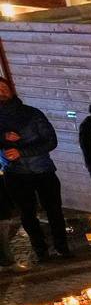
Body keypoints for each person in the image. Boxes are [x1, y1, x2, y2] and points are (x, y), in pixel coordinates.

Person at [0, 77, 70, 260]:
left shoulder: (32, 114)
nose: (1, 92)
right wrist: (3, 137)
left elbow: (50, 141)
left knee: (54, 210)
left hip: (42, 170)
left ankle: (62, 247)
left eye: (4, 88)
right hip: (15, 173)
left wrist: (22, 152)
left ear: (10, 89)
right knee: (27, 214)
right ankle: (40, 250)